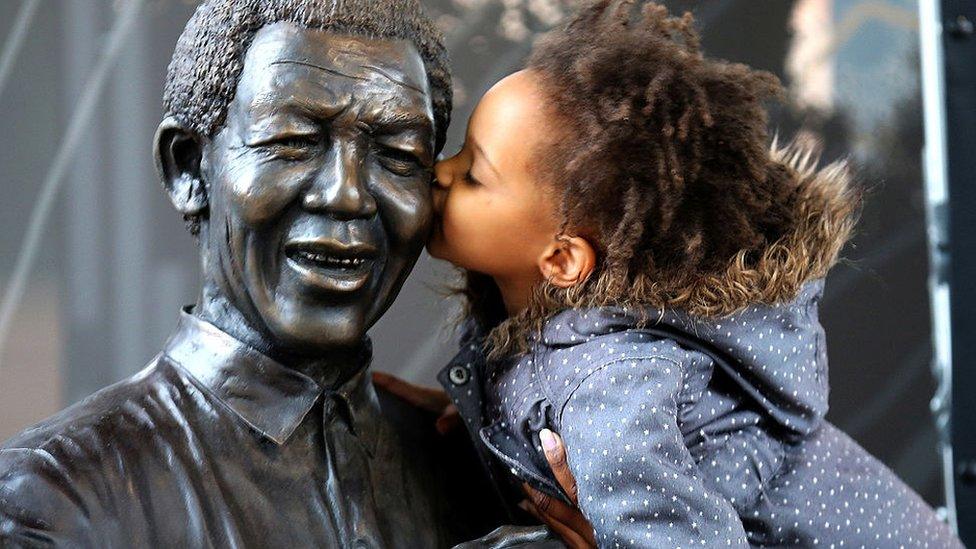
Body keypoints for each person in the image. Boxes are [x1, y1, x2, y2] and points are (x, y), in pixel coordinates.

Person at [382, 1, 965, 547]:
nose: (440, 171)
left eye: (474, 175)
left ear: (561, 259)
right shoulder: (556, 340)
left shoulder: (608, 393)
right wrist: (482, 415)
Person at [0, 1, 561, 546]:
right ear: (190, 168)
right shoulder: (53, 498)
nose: (346, 194)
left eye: (397, 154)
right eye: (292, 143)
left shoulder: (499, 467)